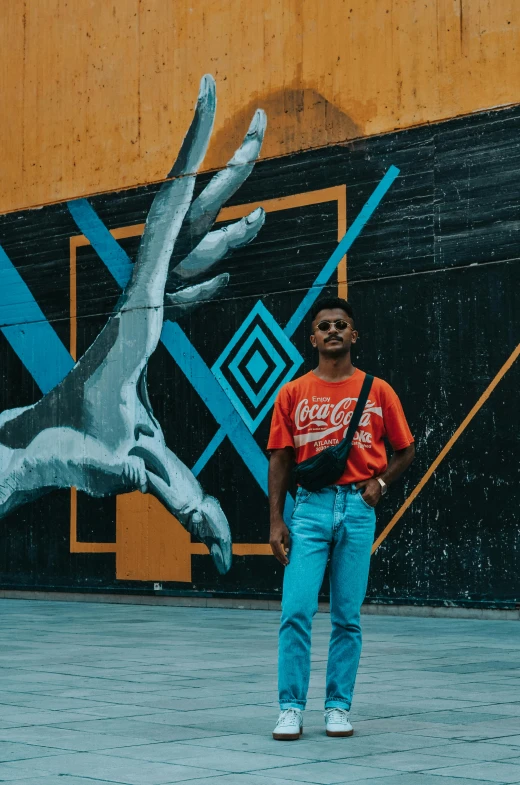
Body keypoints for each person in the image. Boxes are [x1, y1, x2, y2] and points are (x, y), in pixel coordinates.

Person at [267, 296, 415, 740]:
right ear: (312, 338)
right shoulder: (292, 392)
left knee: (347, 616)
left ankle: (337, 706)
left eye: (341, 325)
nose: (333, 331)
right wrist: (277, 520)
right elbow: (279, 457)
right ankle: (290, 707)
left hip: (358, 508)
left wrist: (382, 484)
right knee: (295, 611)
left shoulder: (379, 390)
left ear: (355, 335)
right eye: (325, 326)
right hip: (310, 508)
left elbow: (406, 449)